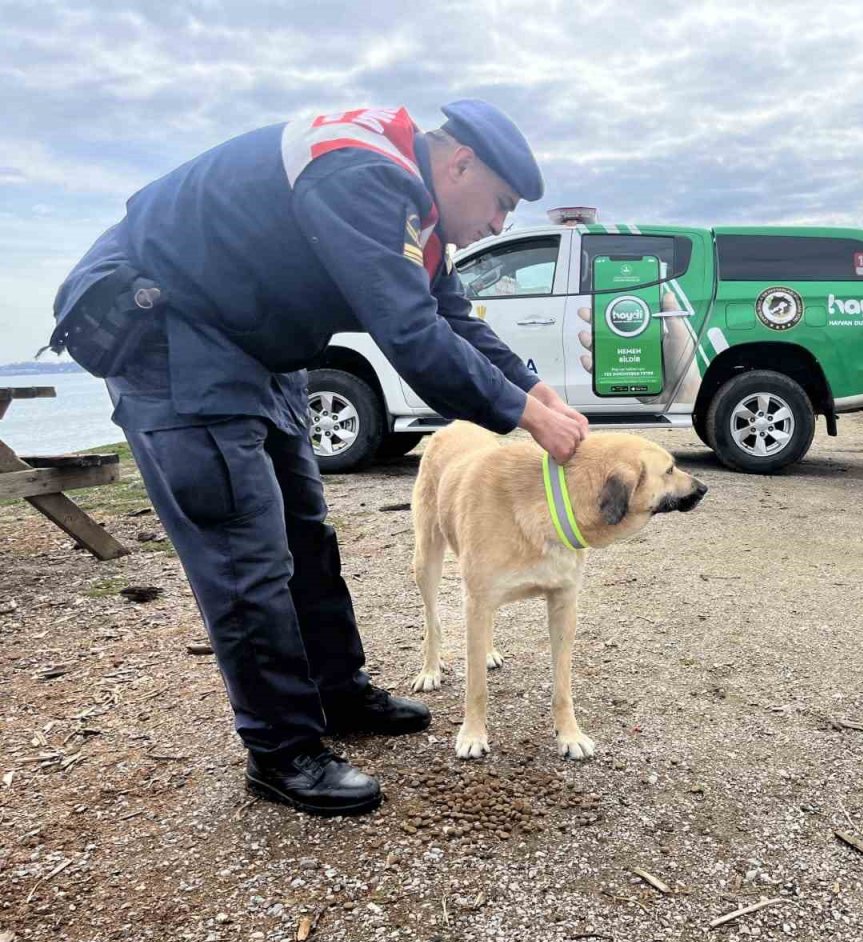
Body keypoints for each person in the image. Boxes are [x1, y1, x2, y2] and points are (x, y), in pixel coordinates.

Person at [48, 101, 588, 817]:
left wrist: (535, 389)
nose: (498, 226)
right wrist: (524, 420)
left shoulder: (412, 213)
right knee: (246, 553)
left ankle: (336, 691)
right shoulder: (361, 173)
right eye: (499, 205)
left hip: (254, 347)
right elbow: (408, 331)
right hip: (168, 330)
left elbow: (448, 314)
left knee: (306, 532)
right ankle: (281, 751)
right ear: (459, 165)